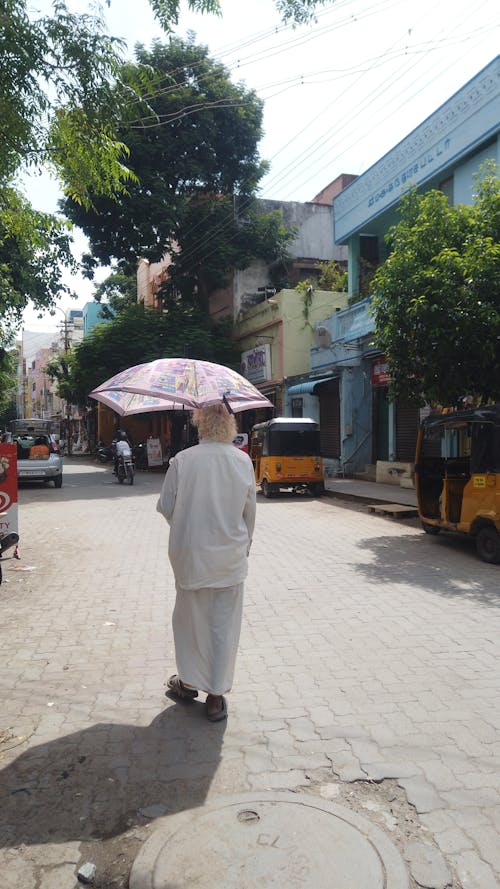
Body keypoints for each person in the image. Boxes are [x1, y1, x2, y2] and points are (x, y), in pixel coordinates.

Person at [156, 403, 256, 722]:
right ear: (229, 426)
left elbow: (166, 506)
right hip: (229, 559)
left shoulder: (183, 461)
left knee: (189, 624)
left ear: (200, 424)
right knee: (224, 627)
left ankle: (187, 682)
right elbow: (248, 514)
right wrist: (244, 546)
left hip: (191, 559)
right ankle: (215, 697)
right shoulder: (242, 461)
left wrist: (188, 525)